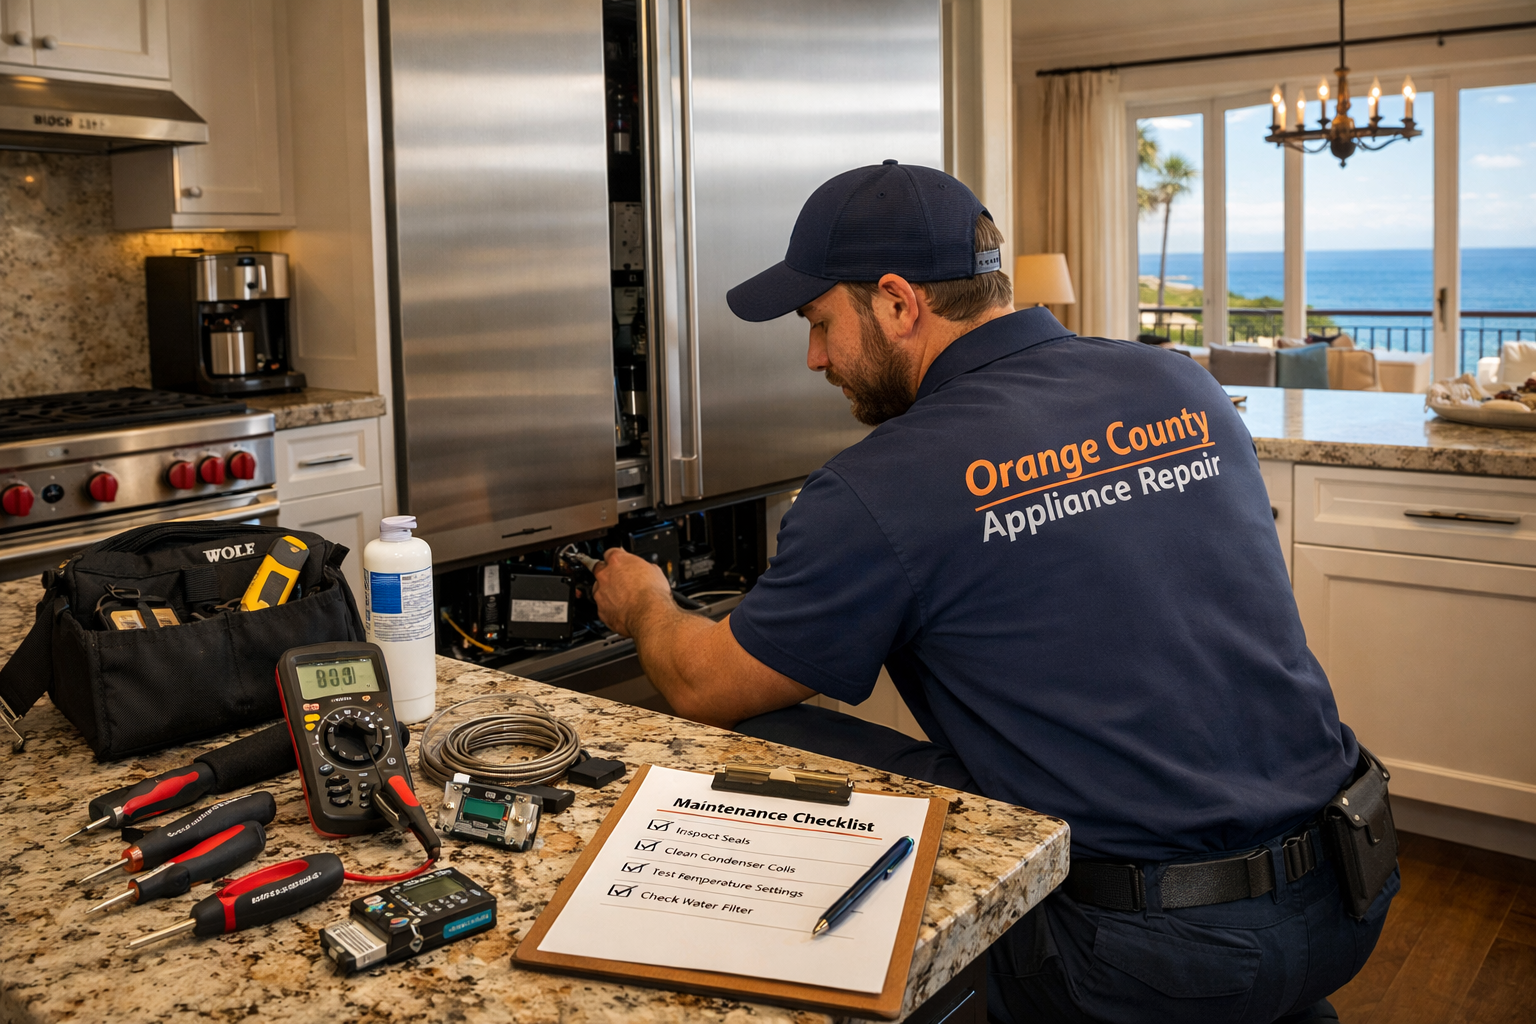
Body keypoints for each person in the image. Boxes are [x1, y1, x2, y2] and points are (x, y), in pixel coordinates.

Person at [590, 160, 1397, 1024]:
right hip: (1354, 881)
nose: (816, 355)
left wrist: (647, 604)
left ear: (899, 303)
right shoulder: (1179, 382)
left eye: (820, 321)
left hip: (1147, 956)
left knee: (754, 720)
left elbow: (702, 682)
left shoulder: (881, 483)